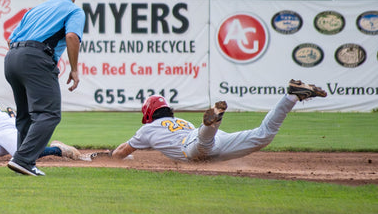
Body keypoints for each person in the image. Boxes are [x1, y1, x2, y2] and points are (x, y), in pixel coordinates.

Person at [111, 79, 327, 162]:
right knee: (263, 136)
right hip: (211, 142)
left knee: (200, 147)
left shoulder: (148, 129)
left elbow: (122, 152)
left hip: (194, 144)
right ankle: (291, 97)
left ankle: (212, 122)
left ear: (148, 114)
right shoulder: (180, 121)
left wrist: (109, 158)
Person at [4, 0, 85, 177]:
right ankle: (23, 160)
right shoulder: (74, 10)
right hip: (36, 58)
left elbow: (10, 39)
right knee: (49, 114)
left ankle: (22, 162)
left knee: (25, 115)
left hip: (12, 57)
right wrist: (74, 69)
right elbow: (72, 36)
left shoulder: (34, 10)